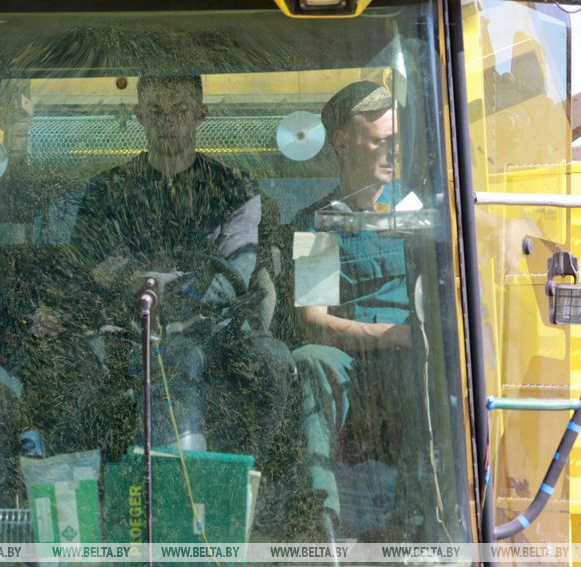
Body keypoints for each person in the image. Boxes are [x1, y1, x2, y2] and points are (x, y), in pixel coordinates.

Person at [62, 74, 347, 539]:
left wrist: (150, 281)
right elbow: (95, 267)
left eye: (179, 111)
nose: (168, 123)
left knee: (273, 362)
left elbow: (236, 271)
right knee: (80, 377)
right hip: (127, 334)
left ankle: (246, 497)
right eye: (157, 112)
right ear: (139, 116)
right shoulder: (107, 189)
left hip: (219, 333)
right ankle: (116, 511)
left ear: (200, 115)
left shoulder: (235, 188)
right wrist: (164, 286)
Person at [292, 80, 427, 540]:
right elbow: (313, 323)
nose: (392, 152)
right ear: (342, 143)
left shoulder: (419, 214)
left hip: (411, 361)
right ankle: (325, 522)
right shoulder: (319, 223)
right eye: (379, 141)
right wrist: (390, 335)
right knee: (309, 361)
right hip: (349, 362)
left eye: (396, 140)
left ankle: (420, 519)